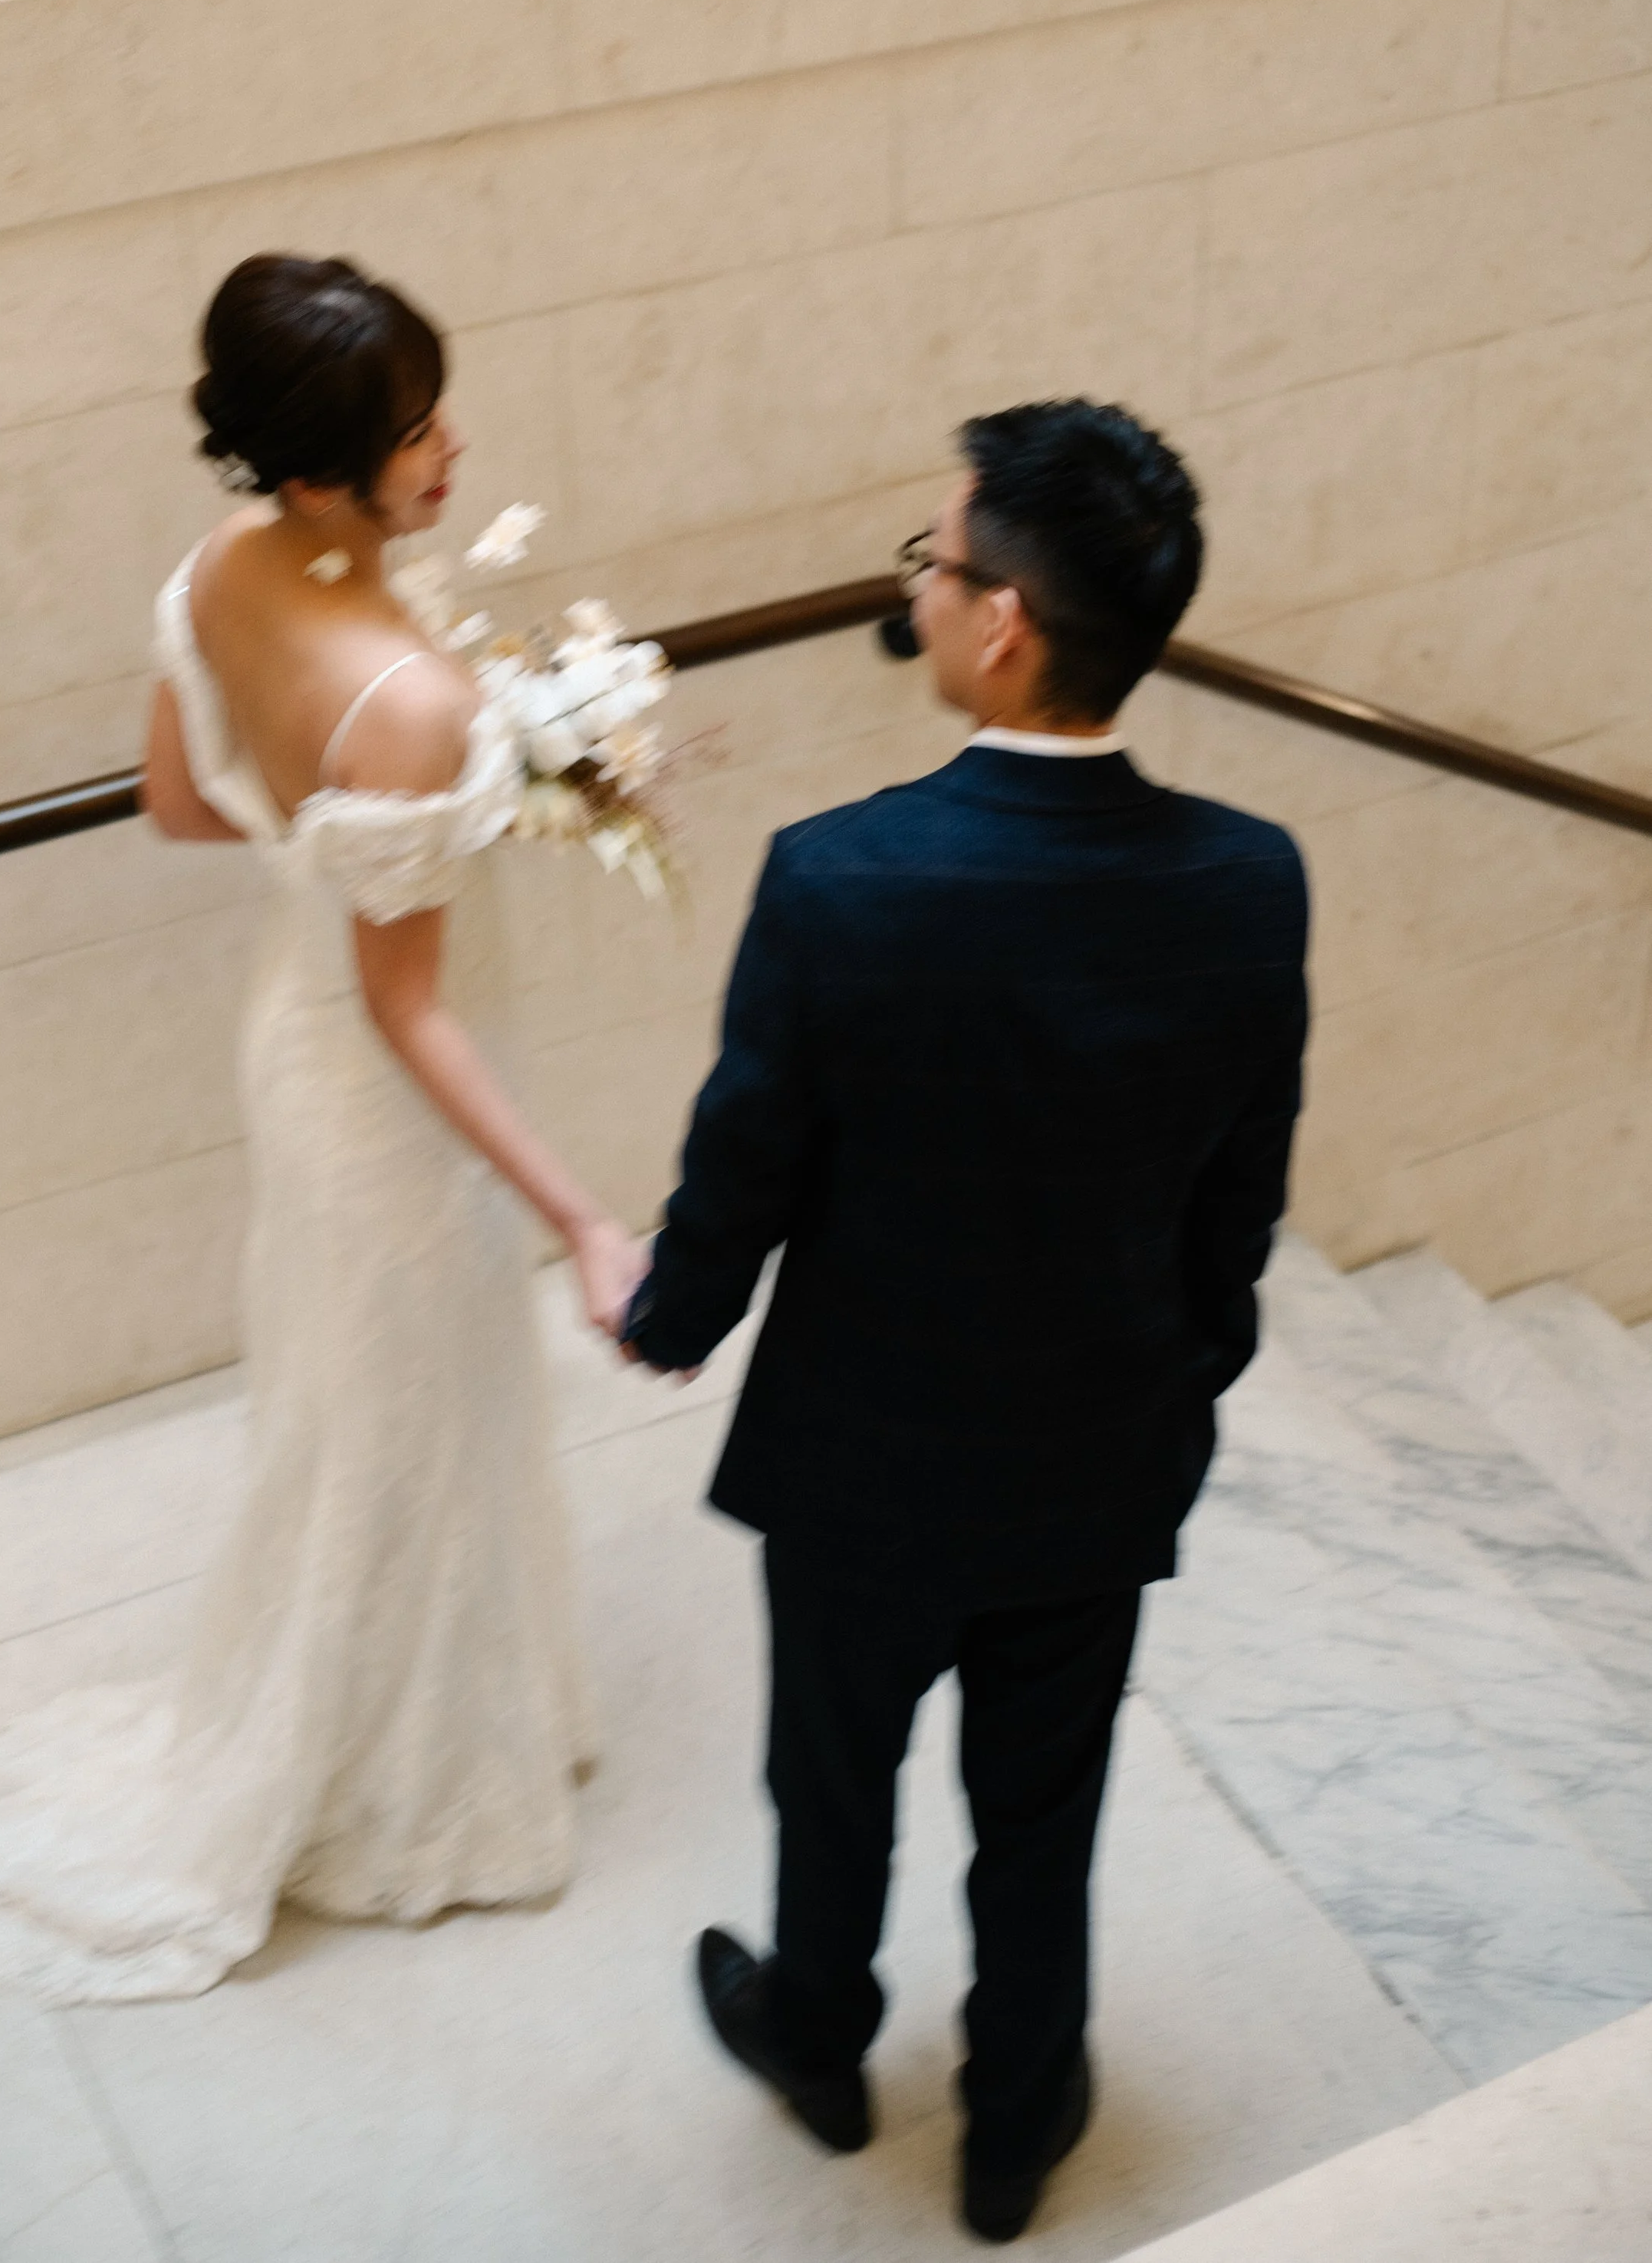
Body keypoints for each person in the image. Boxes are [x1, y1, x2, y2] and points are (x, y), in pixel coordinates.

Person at [0, 255, 644, 2003]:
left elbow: (181, 801)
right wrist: (583, 1217)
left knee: (360, 1421)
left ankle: (378, 1716)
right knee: (405, 1426)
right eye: (418, 433)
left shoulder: (218, 574)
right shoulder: (409, 702)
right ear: (315, 468)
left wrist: (350, 844)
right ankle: (395, 1787)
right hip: (391, 1102)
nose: (451, 451)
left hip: (296, 1049)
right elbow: (412, 1008)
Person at [606, 400, 1308, 2242]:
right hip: (1092, 1460)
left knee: (826, 1778)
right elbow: (1239, 1205)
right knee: (1041, 1807)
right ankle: (1013, 2124)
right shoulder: (1247, 883)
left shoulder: (842, 879)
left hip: (859, 1465)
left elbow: (743, 1164)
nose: (914, 586)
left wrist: (665, 1316)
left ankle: (819, 2038)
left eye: (931, 560)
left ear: (1002, 623)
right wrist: (1167, 1386)